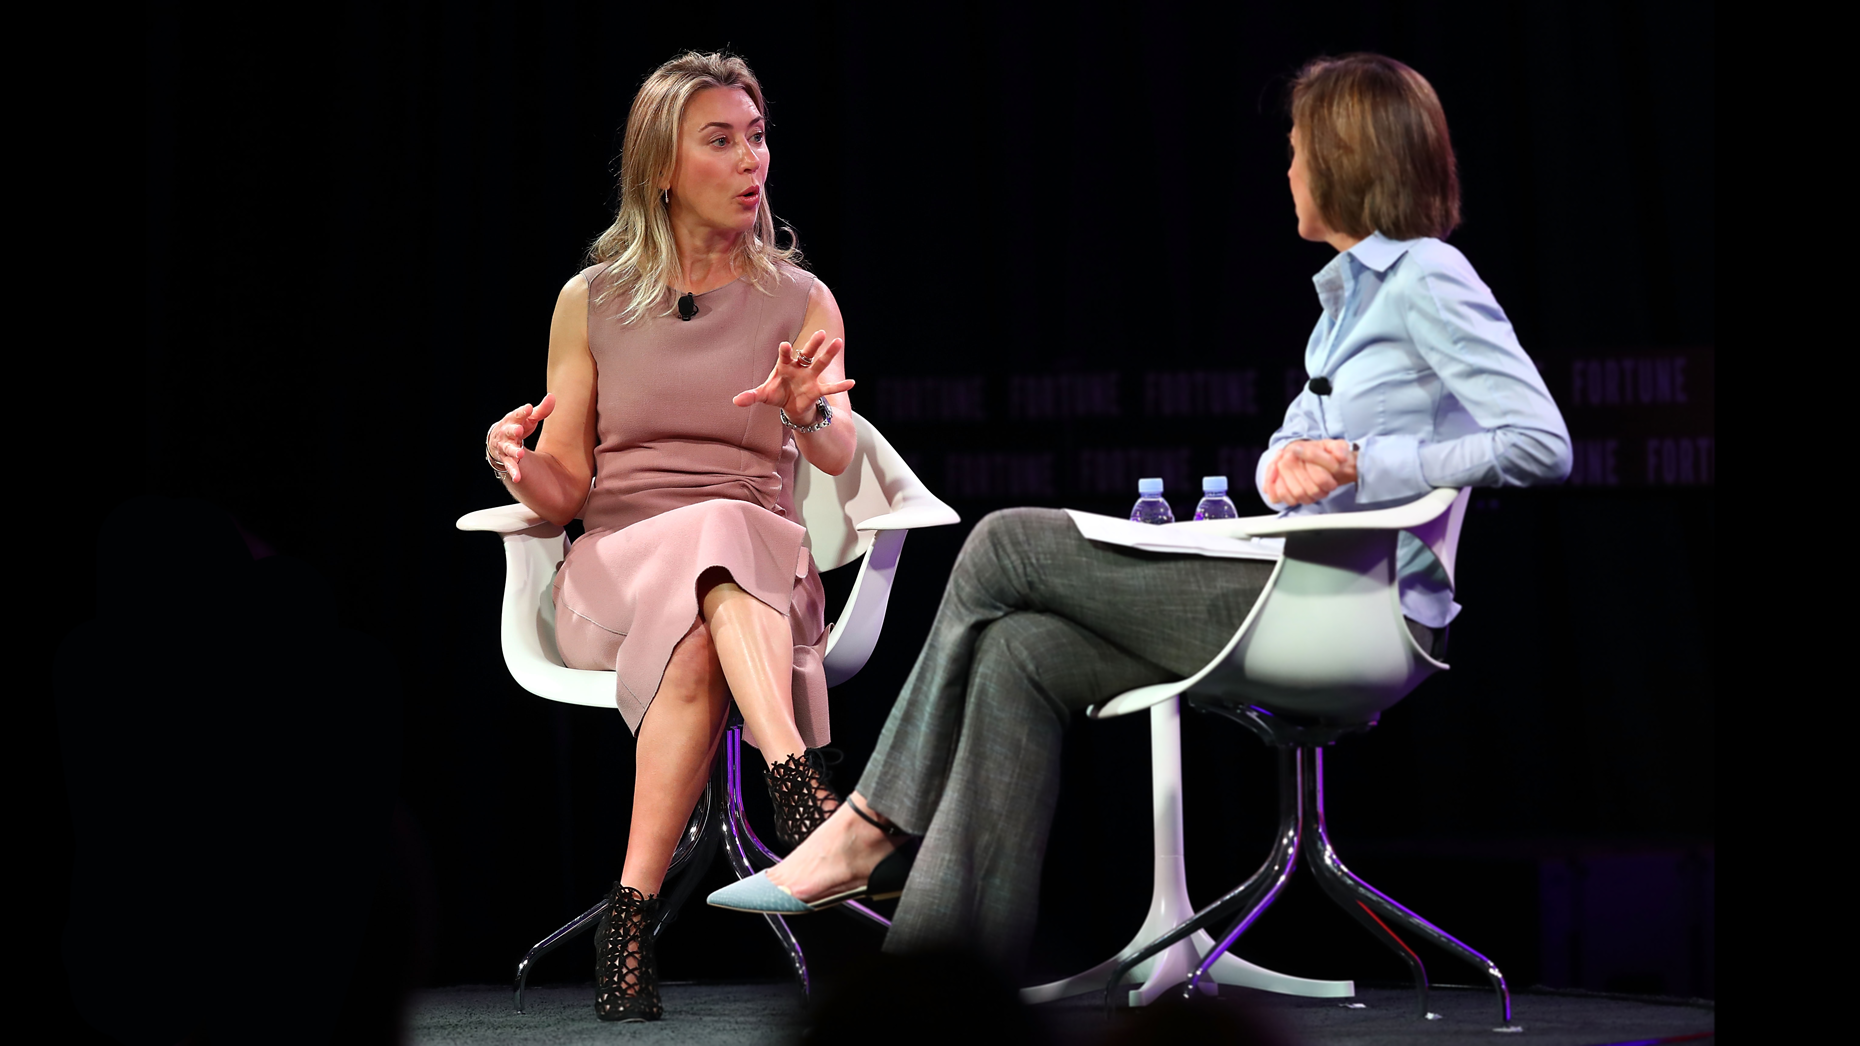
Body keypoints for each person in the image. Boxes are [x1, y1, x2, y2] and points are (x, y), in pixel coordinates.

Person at [707, 53, 1573, 981]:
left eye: (1296, 148)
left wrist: (1369, 462)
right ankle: (939, 991)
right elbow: (1287, 460)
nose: (1287, 169)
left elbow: (1540, 441)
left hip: (1358, 615)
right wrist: (1286, 467)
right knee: (1018, 653)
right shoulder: (1341, 309)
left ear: (1346, 155)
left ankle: (869, 826)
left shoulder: (1429, 278)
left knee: (1004, 543)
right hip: (1300, 588)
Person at [482, 51, 856, 1022]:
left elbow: (839, 450)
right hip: (614, 579)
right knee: (716, 538)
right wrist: (523, 469)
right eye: (721, 140)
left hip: (757, 593)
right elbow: (566, 481)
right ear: (661, 165)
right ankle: (801, 786)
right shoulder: (592, 299)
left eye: (758, 136)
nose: (752, 161)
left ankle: (628, 917)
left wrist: (809, 414)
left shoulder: (802, 299)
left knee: (723, 562)